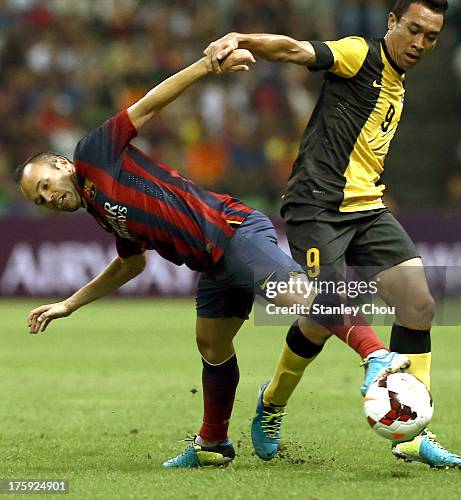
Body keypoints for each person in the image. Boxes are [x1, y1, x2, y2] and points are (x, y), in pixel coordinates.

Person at [17, 48, 400, 469]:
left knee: (299, 296)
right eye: (41, 199)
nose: (49, 198)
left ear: (60, 163)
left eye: (47, 184)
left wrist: (204, 66)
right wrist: (70, 304)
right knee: (212, 345)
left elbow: (151, 105)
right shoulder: (100, 209)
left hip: (231, 231)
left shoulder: (93, 153)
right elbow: (131, 264)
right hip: (212, 261)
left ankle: (376, 356)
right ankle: (214, 444)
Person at [205, 0, 461, 469]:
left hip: (367, 209)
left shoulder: (399, 83)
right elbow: (296, 49)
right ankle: (273, 404)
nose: (420, 43)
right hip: (316, 207)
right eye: (413, 29)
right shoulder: (359, 54)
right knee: (330, 307)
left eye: (431, 37)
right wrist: (240, 37)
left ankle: (410, 433)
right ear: (391, 20)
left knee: (419, 304)